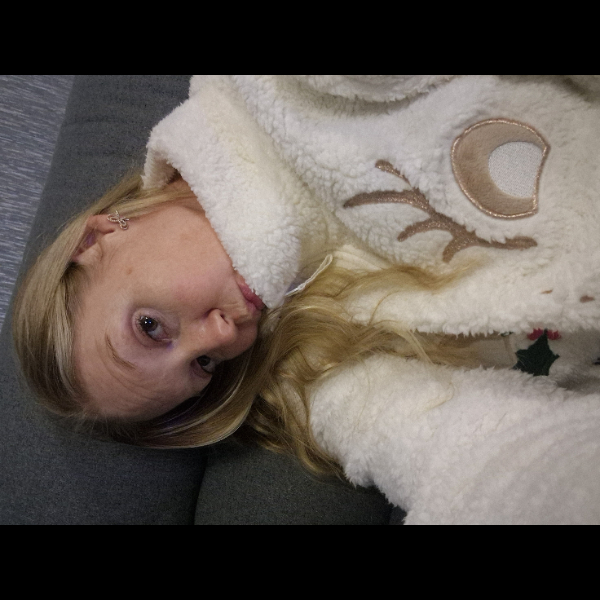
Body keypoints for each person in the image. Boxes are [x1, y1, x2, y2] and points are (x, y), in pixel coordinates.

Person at [13, 76, 600, 523]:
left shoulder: (262, 97)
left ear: (100, 237)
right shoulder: (309, 371)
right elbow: (463, 452)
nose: (221, 336)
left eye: (150, 327)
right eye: (203, 365)